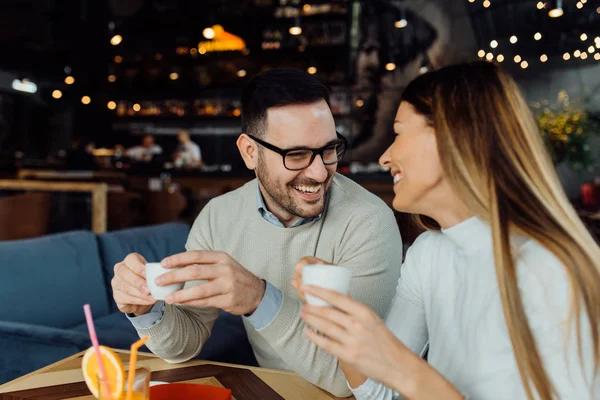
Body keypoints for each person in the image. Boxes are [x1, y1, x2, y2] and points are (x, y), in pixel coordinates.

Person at [294, 61, 600, 399]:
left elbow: (402, 376)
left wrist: (404, 369)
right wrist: (334, 307)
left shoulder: (554, 269)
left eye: (398, 133)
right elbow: (380, 392)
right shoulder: (430, 254)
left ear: (452, 137)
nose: (384, 157)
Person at [111, 67, 403, 397]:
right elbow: (183, 344)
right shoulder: (218, 217)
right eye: (297, 155)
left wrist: (259, 299)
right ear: (250, 152)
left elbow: (348, 380)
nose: (321, 171)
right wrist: (145, 309)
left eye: (329, 149)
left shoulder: (369, 221)